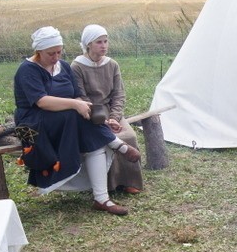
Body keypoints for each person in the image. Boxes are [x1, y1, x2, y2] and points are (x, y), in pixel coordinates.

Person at [13, 26, 140, 216]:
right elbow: (41, 102)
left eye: (59, 51)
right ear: (38, 51)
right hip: (33, 122)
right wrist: (75, 104)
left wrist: (97, 116)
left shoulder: (63, 66)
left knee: (93, 141)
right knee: (74, 113)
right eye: (51, 53)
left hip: (65, 119)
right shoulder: (28, 70)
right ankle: (117, 144)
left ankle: (101, 198)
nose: (56, 56)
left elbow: (77, 96)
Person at [71, 24, 144, 195]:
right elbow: (80, 97)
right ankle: (109, 184)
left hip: (111, 111)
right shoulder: (77, 66)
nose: (104, 45)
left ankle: (128, 181)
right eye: (99, 42)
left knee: (128, 135)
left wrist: (114, 117)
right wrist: (101, 119)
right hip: (89, 114)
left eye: (105, 41)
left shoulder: (112, 65)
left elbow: (119, 94)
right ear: (88, 44)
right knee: (106, 140)